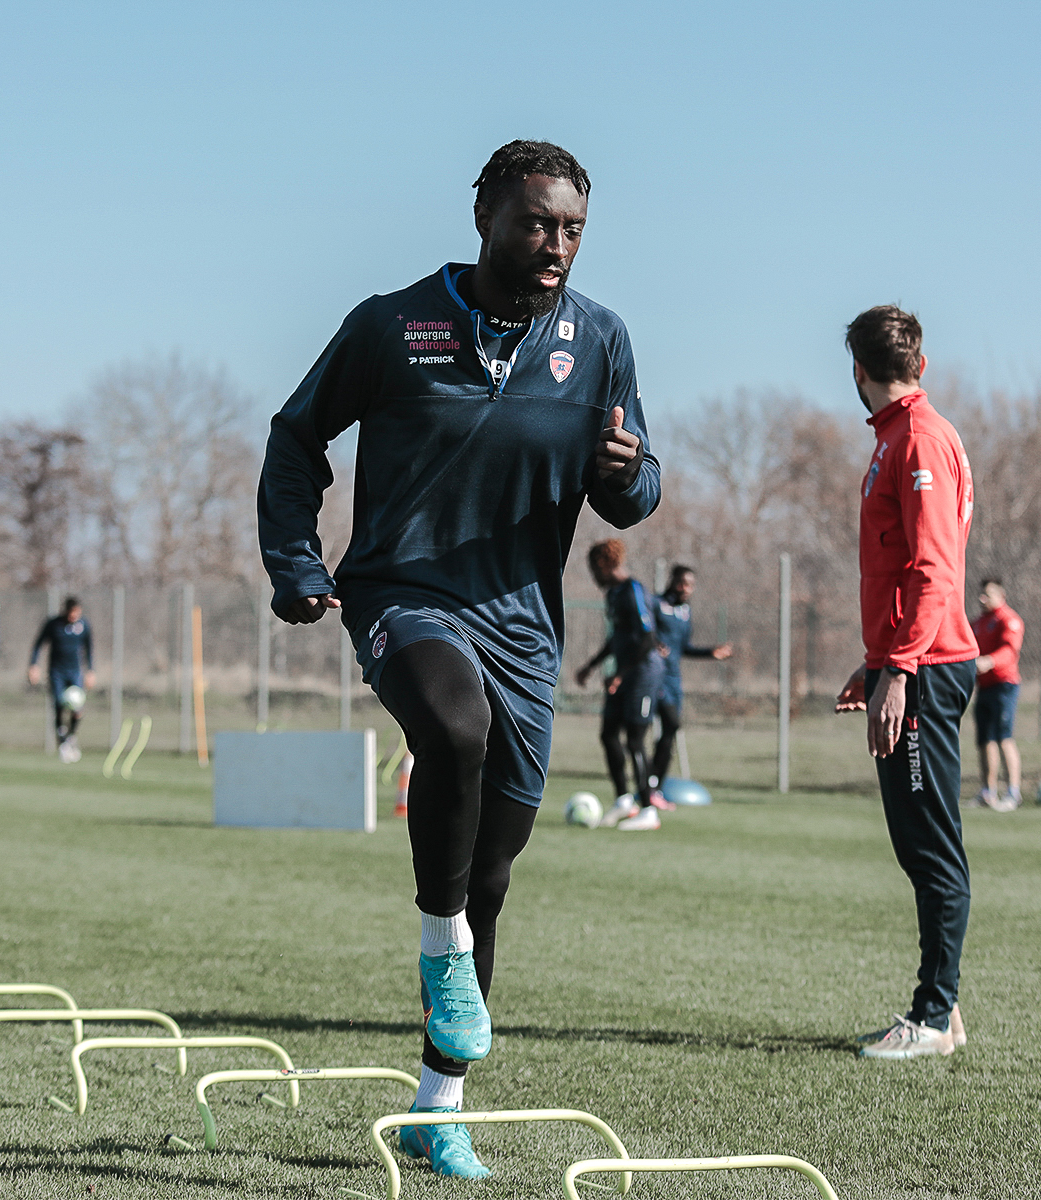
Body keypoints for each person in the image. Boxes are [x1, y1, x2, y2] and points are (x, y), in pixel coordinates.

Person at [258, 140, 659, 1179]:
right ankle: (442, 949)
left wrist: (628, 473)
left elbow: (633, 492)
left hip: (522, 628)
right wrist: (296, 560)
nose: (556, 245)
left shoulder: (600, 338)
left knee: (491, 870)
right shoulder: (391, 325)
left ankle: (439, 1106)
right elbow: (297, 438)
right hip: (403, 594)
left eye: (573, 229)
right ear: (484, 216)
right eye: (536, 223)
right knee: (452, 726)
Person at [832, 305, 977, 1060]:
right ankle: (942, 1009)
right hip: (910, 664)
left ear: (857, 370)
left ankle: (932, 1017)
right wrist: (879, 660)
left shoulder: (919, 438)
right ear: (920, 363)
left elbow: (933, 568)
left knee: (930, 847)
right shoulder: (898, 436)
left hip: (927, 669)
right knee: (919, 844)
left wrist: (901, 667)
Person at [575, 540, 667, 830]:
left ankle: (648, 810)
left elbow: (647, 638)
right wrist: (591, 665)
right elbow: (617, 637)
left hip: (643, 672)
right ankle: (624, 801)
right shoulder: (613, 594)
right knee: (608, 733)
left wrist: (620, 674)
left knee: (635, 740)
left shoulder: (633, 590)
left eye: (593, 569)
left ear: (603, 564)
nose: (593, 576)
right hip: (625, 673)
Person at [648, 565, 732, 795]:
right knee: (661, 724)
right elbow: (643, 632)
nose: (686, 589)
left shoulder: (685, 612)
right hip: (655, 676)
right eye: (682, 583)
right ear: (672, 582)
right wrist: (653, 644)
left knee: (671, 729)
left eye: (690, 585)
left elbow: (684, 647)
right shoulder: (656, 604)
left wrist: (710, 653)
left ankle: (654, 786)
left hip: (674, 680)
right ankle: (647, 780)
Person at [971, 578, 1024, 811]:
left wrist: (989, 661)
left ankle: (1013, 792)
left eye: (988, 595)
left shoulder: (1009, 619)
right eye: (981, 595)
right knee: (985, 740)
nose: (982, 599)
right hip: (983, 687)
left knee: (1004, 737)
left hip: (1004, 686)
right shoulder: (978, 623)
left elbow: (1010, 651)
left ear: (1001, 595)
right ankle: (987, 792)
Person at [29, 596, 96, 764]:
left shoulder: (83, 626)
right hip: (57, 672)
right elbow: (38, 644)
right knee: (59, 706)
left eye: (77, 613)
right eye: (72, 612)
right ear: (65, 611)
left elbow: (89, 648)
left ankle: (71, 736)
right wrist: (33, 665)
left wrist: (91, 671)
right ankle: (63, 743)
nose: (74, 616)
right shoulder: (54, 624)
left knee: (78, 708)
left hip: (75, 672)